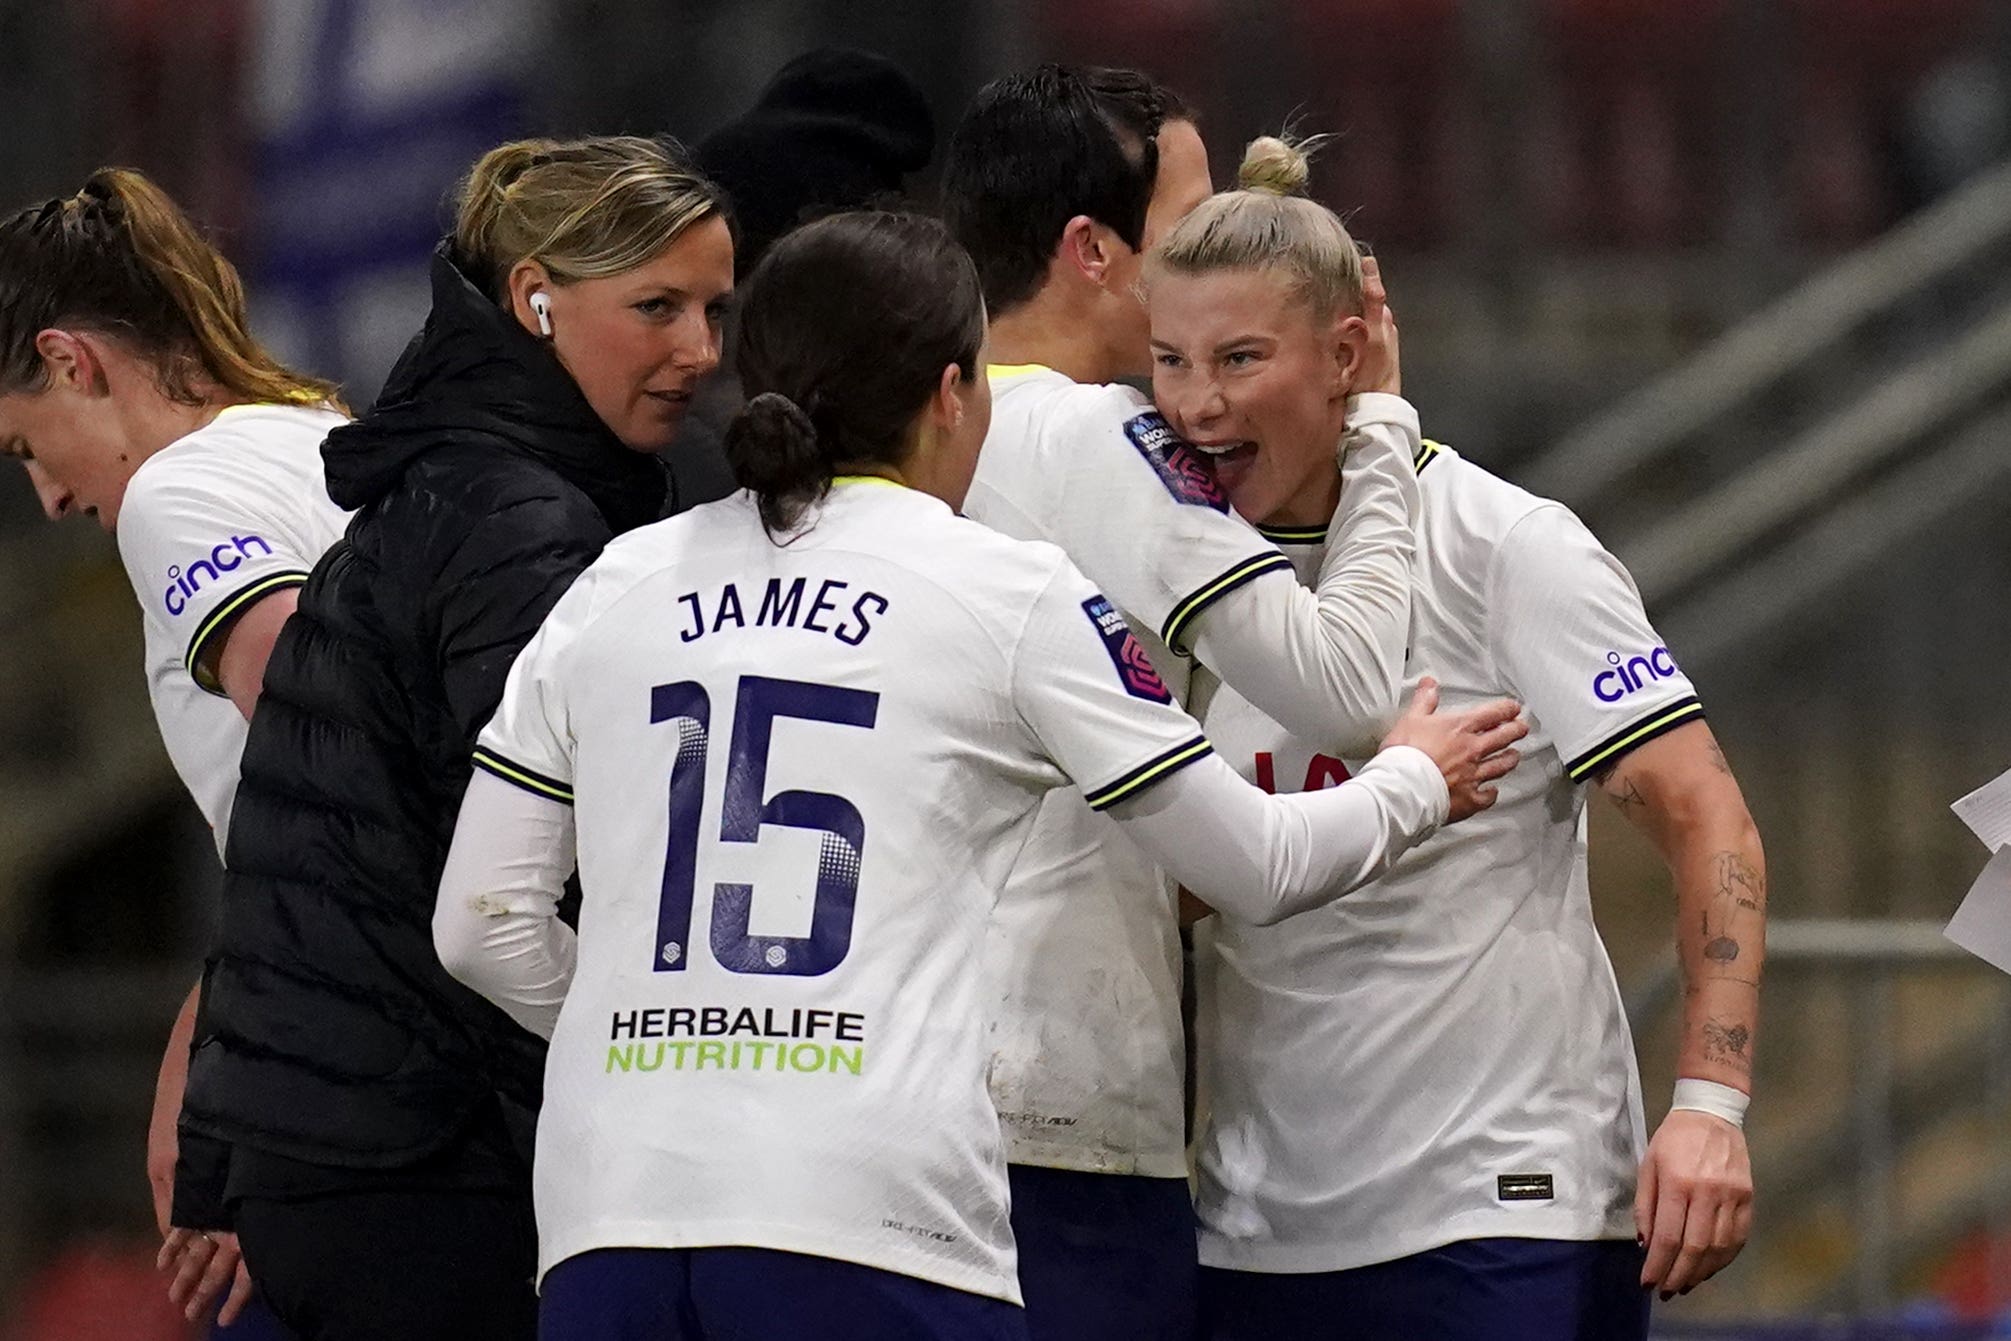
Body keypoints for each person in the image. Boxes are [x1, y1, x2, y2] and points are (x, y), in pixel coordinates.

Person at [430, 208, 1525, 1341]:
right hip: (866, 1224)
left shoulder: (618, 581)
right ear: (953, 392)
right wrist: (1412, 781)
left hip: (608, 1218)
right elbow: (1255, 863)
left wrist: (669, 1048)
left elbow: (480, 924)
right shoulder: (1009, 592)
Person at [1153, 137, 1768, 1341]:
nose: (1196, 403)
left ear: (1345, 356)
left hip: (1500, 1215)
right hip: (1254, 1230)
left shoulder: (1505, 544)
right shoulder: (1172, 574)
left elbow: (1706, 815)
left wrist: (1709, 1106)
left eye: (1238, 358)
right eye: (1170, 360)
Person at [169, 135, 734, 1341]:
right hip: (424, 1156)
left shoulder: (454, 478)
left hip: (338, 1145)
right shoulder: (517, 520)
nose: (701, 351)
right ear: (535, 298)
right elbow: (541, 865)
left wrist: (228, 1154)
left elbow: (305, 830)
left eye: (712, 308)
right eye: (658, 308)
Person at [940, 65, 1421, 1339]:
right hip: (1056, 1111)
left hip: (886, 1093)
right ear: (1093, 252)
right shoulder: (1098, 438)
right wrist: (1373, 425)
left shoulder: (912, 431)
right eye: (1190, 221)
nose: (1221, 244)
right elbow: (1353, 687)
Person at [0, 167, 351, 1337]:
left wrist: (216, 1064)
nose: (48, 496)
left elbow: (336, 764)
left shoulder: (179, 493)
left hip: (340, 1076)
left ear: (69, 362)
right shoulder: (324, 439)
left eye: (25, 447)